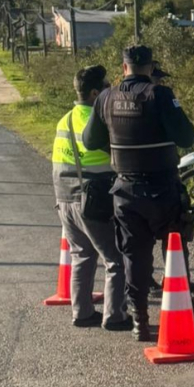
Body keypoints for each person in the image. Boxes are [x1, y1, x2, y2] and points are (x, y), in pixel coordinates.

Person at [83, 46, 194, 341]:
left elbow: (89, 140)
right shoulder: (160, 94)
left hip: (125, 191)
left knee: (134, 257)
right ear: (150, 67)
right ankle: (186, 317)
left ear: (124, 67)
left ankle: (140, 323)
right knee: (175, 257)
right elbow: (185, 137)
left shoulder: (106, 98)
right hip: (163, 190)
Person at [52, 65, 130, 330]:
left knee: (82, 256)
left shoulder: (65, 120)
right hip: (93, 201)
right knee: (115, 259)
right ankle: (114, 316)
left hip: (64, 199)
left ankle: (82, 312)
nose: (110, 90)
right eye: (107, 86)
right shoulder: (101, 120)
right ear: (96, 92)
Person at [149, 62, 194, 297]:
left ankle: (169, 278)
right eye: (156, 78)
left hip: (134, 181)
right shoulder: (162, 101)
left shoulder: (120, 100)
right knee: (174, 232)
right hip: (163, 179)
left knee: (149, 238)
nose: (159, 83)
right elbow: (185, 135)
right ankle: (176, 281)